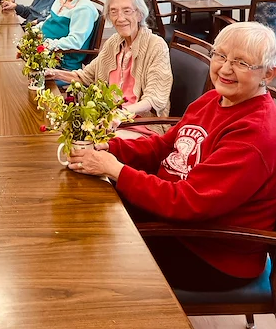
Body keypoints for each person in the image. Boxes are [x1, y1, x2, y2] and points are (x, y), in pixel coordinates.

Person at [67, 21, 276, 292]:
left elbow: (188, 202)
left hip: (209, 252)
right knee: (82, 209)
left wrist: (117, 170)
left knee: (91, 249)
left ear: (268, 74)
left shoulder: (254, 133)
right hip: (172, 218)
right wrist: (111, 149)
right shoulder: (212, 100)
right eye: (220, 55)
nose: (225, 68)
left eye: (241, 63)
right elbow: (163, 146)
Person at [46, 0, 172, 133]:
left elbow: (154, 99)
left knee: (88, 147)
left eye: (127, 11)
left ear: (139, 14)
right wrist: (53, 73)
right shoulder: (113, 43)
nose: (120, 18)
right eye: (114, 12)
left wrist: (120, 114)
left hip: (141, 124)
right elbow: (86, 76)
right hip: (106, 120)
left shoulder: (156, 45)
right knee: (58, 131)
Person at [41, 0, 98, 72]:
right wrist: (34, 32)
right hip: (45, 53)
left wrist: (48, 44)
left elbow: (75, 42)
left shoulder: (84, 9)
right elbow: (49, 21)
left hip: (61, 63)